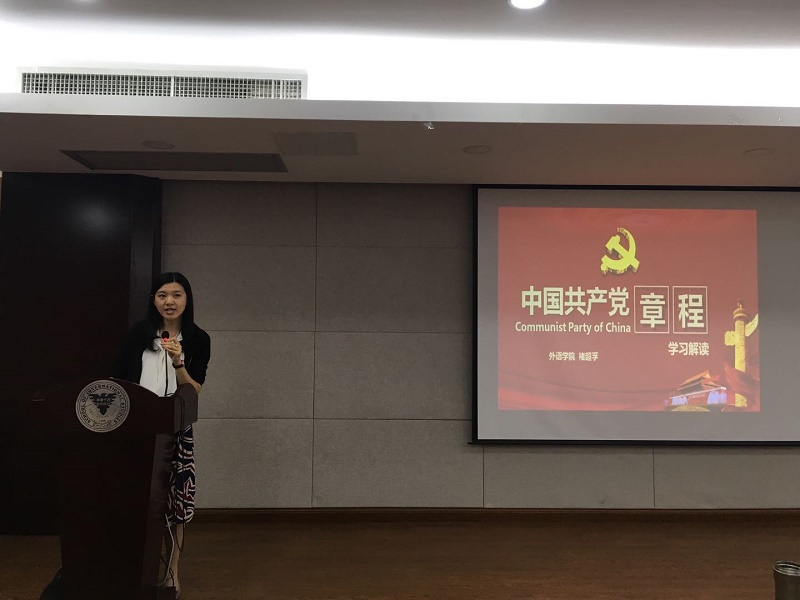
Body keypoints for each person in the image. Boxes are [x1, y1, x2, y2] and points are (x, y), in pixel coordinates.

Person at [113, 272, 211, 599]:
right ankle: (128, 569)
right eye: (162, 295)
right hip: (134, 429)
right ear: (153, 300)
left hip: (175, 429)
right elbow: (117, 379)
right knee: (132, 500)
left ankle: (171, 573)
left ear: (187, 299)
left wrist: (178, 361)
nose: (169, 301)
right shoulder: (138, 334)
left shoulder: (198, 339)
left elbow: (194, 389)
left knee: (175, 505)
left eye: (176, 295)